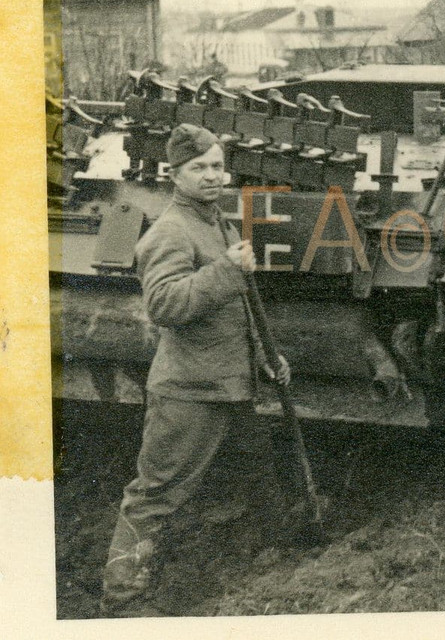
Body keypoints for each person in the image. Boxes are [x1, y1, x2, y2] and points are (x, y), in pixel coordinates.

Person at [101, 123, 293, 616]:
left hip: (229, 383)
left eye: (216, 166)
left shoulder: (215, 222)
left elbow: (235, 307)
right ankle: (123, 601)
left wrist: (268, 358)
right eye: (198, 168)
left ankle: (272, 569)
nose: (211, 176)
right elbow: (165, 305)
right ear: (174, 174)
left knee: (259, 473)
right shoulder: (170, 231)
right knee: (155, 495)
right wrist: (227, 270)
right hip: (188, 391)